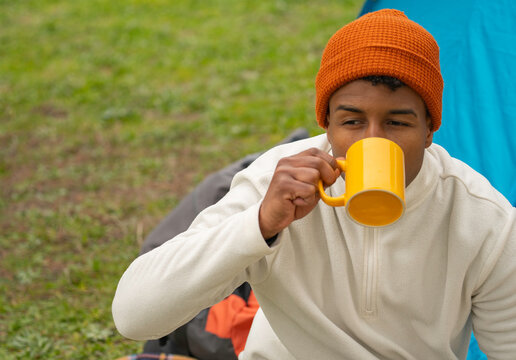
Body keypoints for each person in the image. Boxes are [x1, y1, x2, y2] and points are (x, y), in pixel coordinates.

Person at [112, 9, 516, 359]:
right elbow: (134, 316)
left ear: (430, 129)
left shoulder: (482, 219)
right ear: (327, 125)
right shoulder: (275, 184)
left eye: (397, 122)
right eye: (352, 121)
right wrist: (260, 224)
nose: (371, 140)